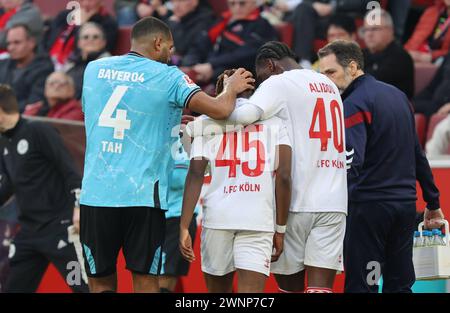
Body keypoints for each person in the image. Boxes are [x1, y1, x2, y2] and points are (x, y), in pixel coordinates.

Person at [79, 16, 254, 293]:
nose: (170, 55)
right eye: (170, 48)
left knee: (100, 282)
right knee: (148, 282)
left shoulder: (93, 69)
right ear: (158, 42)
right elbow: (220, 110)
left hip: (96, 195)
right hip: (144, 196)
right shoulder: (169, 75)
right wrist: (231, 88)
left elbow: (97, 116)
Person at [186, 41, 348, 293]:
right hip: (335, 199)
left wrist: (197, 125)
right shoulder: (328, 83)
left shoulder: (278, 82)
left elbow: (242, 116)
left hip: (298, 199)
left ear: (270, 65)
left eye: (260, 78)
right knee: (321, 290)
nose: (260, 86)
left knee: (289, 288)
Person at [318, 40, 445, 293]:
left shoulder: (353, 103)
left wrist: (337, 205)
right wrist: (433, 203)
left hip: (369, 210)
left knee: (364, 285)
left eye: (330, 72)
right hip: (404, 208)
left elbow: (352, 161)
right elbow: (417, 154)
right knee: (399, 285)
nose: (326, 81)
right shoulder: (398, 96)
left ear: (352, 67)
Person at [180, 69, 292, 293]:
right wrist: (280, 229)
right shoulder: (276, 123)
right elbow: (285, 177)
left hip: (217, 218)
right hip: (258, 219)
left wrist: (184, 226)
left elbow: (195, 175)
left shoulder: (204, 123)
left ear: (219, 93)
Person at [0, 85, 88, 293]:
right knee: (14, 287)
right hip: (29, 232)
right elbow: (9, 184)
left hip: (61, 227)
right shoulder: (4, 142)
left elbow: (70, 170)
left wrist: (78, 207)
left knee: (83, 287)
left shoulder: (38, 131)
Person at [181, 0, 277, 84]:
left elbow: (247, 54)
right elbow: (201, 44)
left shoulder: (261, 24)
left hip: (237, 73)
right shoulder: (222, 21)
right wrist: (192, 63)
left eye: (242, 3)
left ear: (254, 3)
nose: (237, 7)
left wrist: (212, 65)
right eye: (232, 3)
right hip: (208, 67)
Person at [159, 138, 200, 293]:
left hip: (178, 217)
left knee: (167, 275)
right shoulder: (155, 131)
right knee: (151, 275)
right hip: (151, 215)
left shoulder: (193, 136)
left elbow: (180, 180)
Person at [288, 0, 371, 67]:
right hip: (323, 17)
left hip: (348, 14)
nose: (336, 39)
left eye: (339, 35)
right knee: (302, 10)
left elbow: (369, 3)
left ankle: (304, 60)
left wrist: (333, 6)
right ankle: (304, 61)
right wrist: (314, 5)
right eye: (332, 36)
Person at [44, 0, 118, 70]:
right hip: (49, 62)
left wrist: (81, 25)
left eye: (91, 0)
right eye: (82, 0)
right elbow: (45, 43)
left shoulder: (107, 23)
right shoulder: (64, 16)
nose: (86, 4)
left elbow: (84, 53)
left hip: (75, 67)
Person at [0, 24, 54, 112]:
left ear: (31, 43)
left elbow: (34, 104)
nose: (11, 48)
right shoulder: (3, 65)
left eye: (17, 42)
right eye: (8, 43)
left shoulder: (44, 69)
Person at [362, 9, 415, 99]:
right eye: (366, 30)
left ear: (390, 30)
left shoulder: (400, 57)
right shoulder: (362, 54)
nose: (369, 34)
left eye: (375, 29)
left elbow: (370, 82)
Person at [64, 22, 111, 100]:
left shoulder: (109, 65)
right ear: (79, 43)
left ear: (103, 43)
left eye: (95, 37)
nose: (90, 39)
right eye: (86, 37)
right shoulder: (70, 63)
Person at [162, 0, 215, 66]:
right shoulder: (178, 18)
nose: (176, 6)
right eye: (174, 1)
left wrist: (174, 24)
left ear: (194, 2)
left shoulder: (204, 20)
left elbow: (186, 51)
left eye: (181, 1)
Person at [413, 51, 450, 116]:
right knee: (407, 107)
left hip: (445, 106)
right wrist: (411, 102)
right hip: (435, 102)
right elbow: (432, 86)